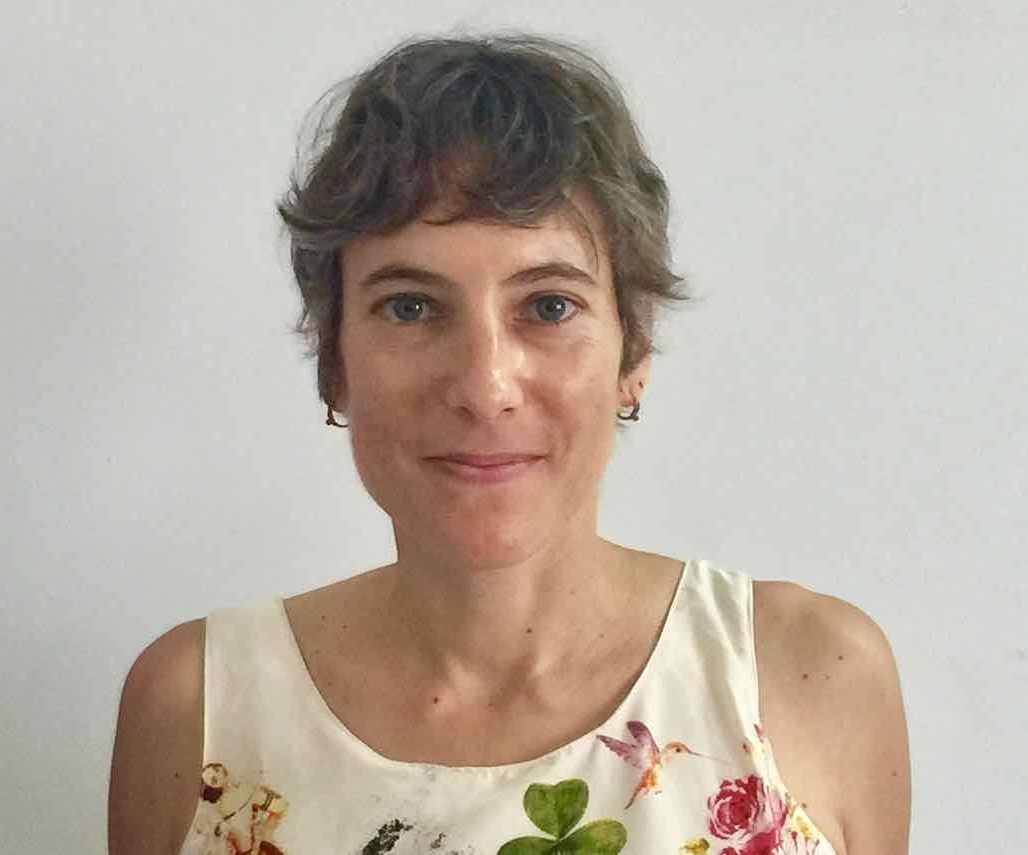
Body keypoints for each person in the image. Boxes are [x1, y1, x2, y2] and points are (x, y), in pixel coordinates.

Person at [108, 32, 910, 855]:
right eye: (411, 307)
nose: (485, 385)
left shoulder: (810, 677)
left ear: (633, 349)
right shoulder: (197, 710)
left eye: (549, 306)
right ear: (335, 359)